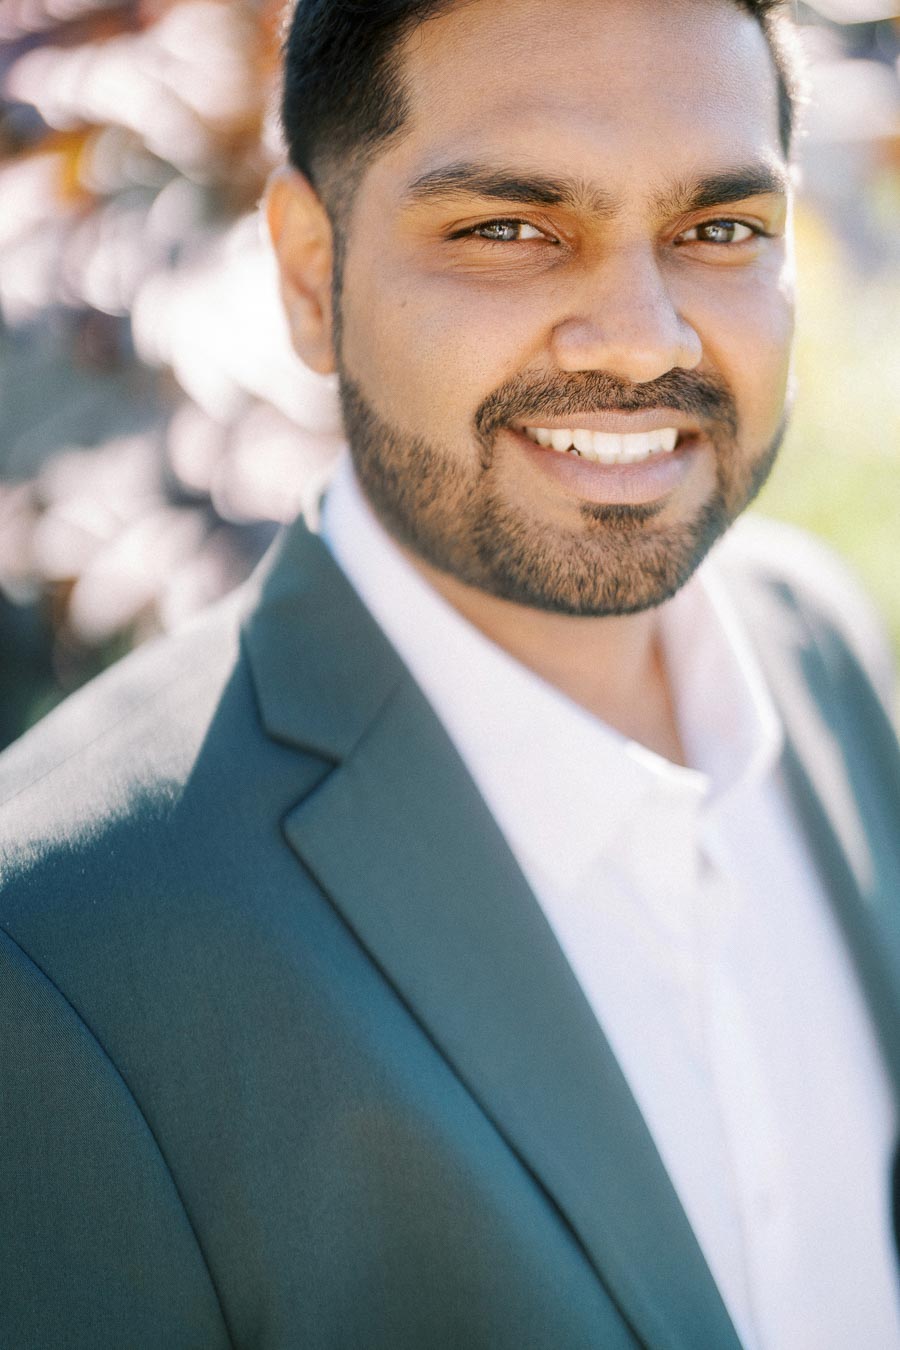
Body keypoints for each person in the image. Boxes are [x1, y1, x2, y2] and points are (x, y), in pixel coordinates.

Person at [1, 0, 899, 1345]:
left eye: (719, 229)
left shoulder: (821, 648)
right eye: (509, 230)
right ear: (313, 276)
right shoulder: (55, 950)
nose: (645, 338)